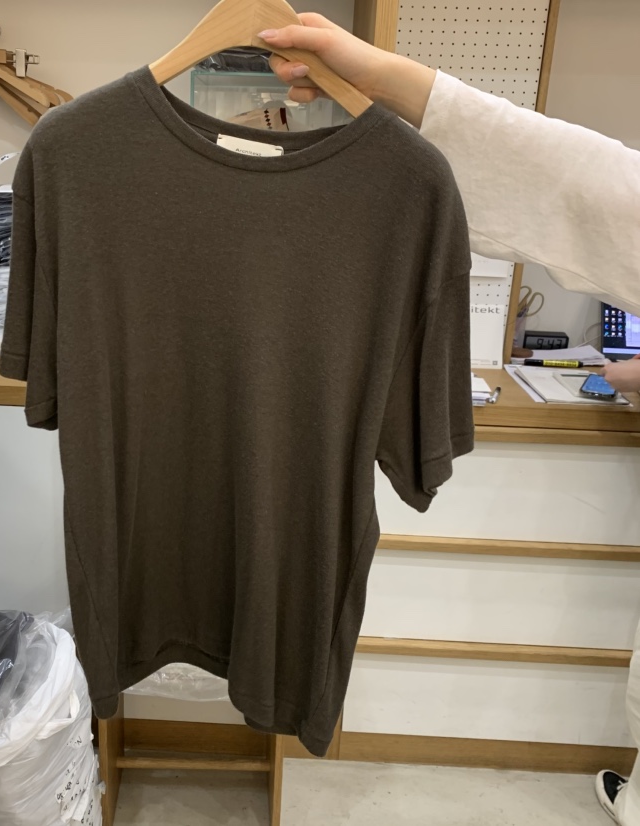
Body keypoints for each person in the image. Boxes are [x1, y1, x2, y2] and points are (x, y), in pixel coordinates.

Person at [258, 14, 640, 825]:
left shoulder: (406, 187)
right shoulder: (81, 154)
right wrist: (383, 76)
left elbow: (589, 187)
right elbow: (592, 187)